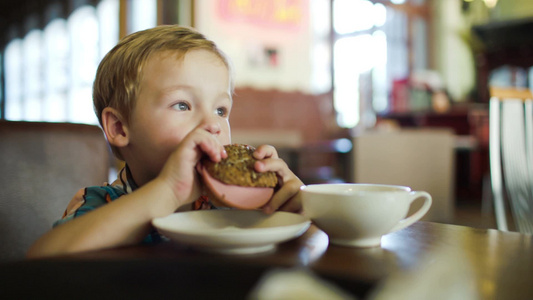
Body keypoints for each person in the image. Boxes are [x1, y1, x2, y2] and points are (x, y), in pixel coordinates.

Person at [27, 25, 303, 258]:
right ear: (120, 127)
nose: (213, 124)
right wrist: (169, 190)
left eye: (221, 110)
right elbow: (41, 260)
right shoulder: (102, 204)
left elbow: (307, 253)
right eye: (182, 105)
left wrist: (296, 207)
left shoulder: (233, 207)